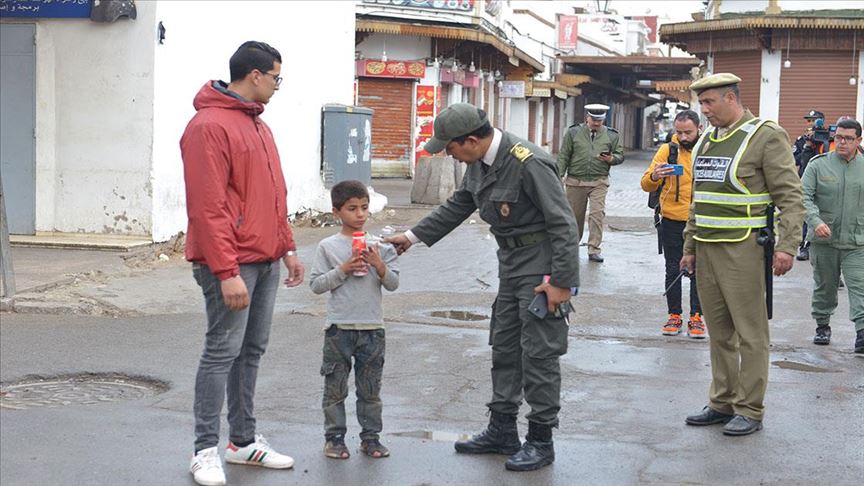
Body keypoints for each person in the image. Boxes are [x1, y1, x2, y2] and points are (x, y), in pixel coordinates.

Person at [385, 103, 579, 472]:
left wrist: (561, 282)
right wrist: (411, 237)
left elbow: (563, 224)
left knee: (539, 352)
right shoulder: (478, 165)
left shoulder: (528, 161)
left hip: (541, 267)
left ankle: (541, 439)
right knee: (504, 345)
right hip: (510, 265)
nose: (449, 155)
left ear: (471, 141)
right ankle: (502, 430)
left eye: (451, 148)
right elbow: (459, 204)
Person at [181, 41, 303, 486]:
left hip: (266, 258)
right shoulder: (208, 126)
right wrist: (227, 272)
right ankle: (204, 450)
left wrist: (287, 246)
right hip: (232, 264)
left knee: (251, 351)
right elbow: (208, 208)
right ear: (254, 75)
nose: (277, 85)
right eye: (276, 77)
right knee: (221, 352)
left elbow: (274, 194)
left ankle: (243, 441)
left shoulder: (258, 127)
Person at [679, 73, 805, 437]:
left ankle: (750, 408)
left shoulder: (765, 135)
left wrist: (786, 245)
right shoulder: (705, 140)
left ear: (731, 98)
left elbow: (790, 196)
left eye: (709, 103)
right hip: (707, 247)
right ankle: (722, 401)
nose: (704, 111)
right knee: (719, 332)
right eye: (701, 104)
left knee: (750, 334)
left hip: (745, 249)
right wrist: (690, 248)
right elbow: (697, 202)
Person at [309, 180, 400, 460]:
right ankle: (334, 438)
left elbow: (393, 284)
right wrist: (344, 269)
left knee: (370, 390)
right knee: (335, 388)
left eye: (364, 208)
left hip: (373, 329)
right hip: (339, 329)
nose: (360, 214)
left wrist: (379, 265)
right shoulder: (328, 246)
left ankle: (371, 438)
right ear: (337, 211)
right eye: (352, 209)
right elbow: (316, 285)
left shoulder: (380, 246)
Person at [800, 118, 864, 352]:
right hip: (824, 241)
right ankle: (822, 325)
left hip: (857, 242)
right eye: (838, 137)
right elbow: (803, 197)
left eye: (848, 138)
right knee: (825, 287)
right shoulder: (818, 165)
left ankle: (862, 333)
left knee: (860, 287)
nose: (842, 142)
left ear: (859, 140)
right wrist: (815, 222)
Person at [640, 110, 704, 338]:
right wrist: (655, 176)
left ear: (699, 129)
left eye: (688, 132)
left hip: (702, 222)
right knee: (672, 268)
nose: (683, 137)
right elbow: (645, 184)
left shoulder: (707, 149)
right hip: (672, 221)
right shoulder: (668, 150)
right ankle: (674, 315)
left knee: (700, 270)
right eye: (679, 132)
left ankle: (696, 317)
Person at [557, 103, 625, 263]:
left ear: (603, 120)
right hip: (575, 181)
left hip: (599, 181)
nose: (596, 123)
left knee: (597, 215)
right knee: (575, 217)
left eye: (599, 121)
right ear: (587, 117)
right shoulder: (573, 132)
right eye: (594, 119)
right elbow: (564, 155)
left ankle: (594, 249)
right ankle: (572, 248)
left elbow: (620, 155)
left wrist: (611, 159)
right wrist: (559, 175)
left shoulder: (612, 135)